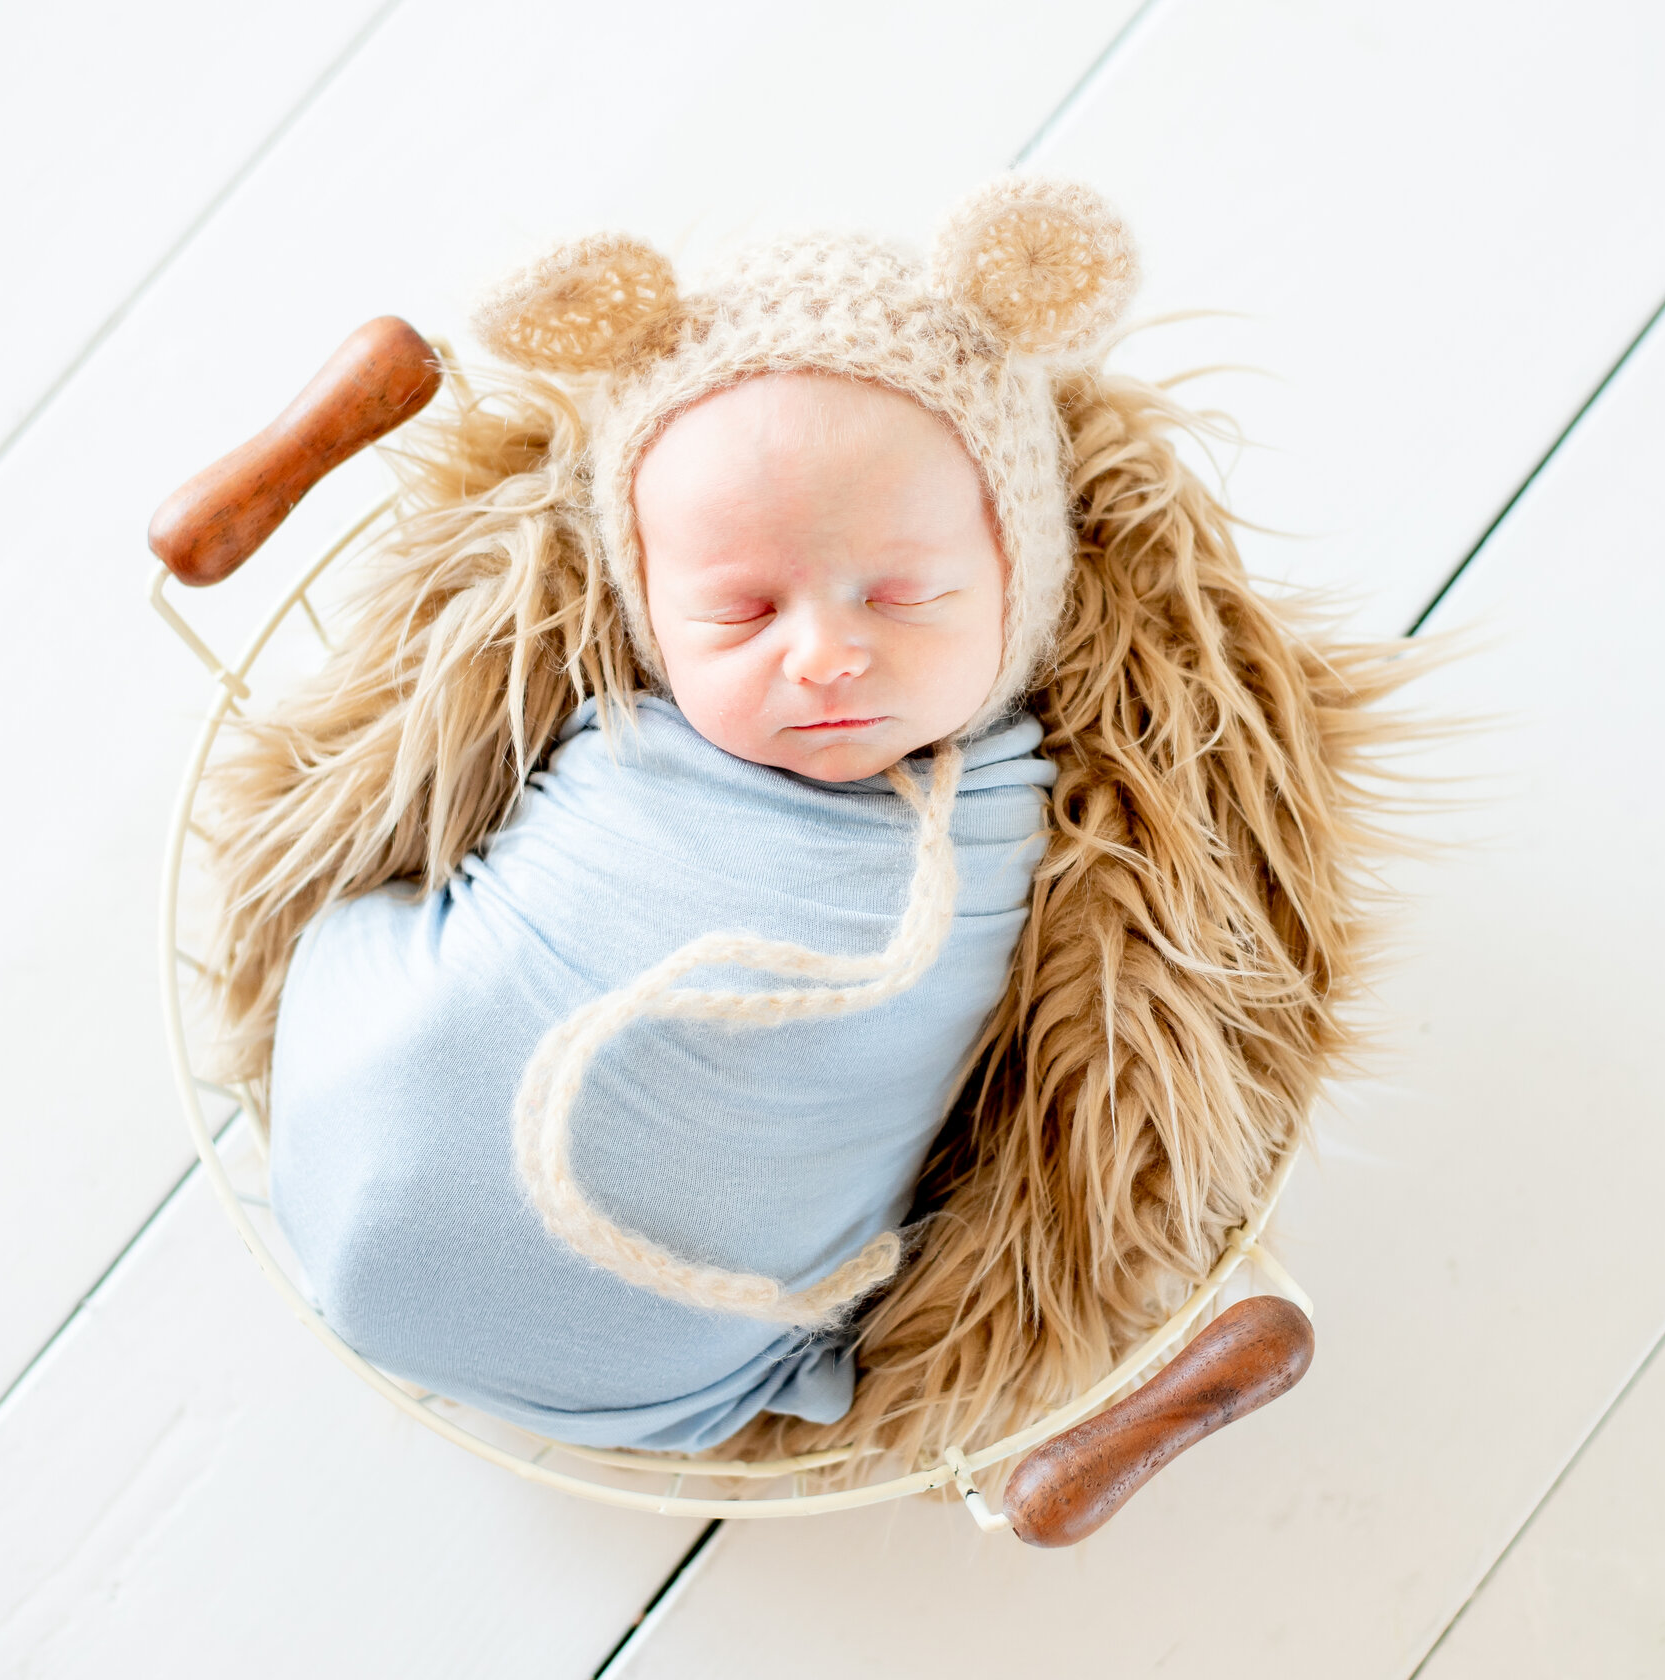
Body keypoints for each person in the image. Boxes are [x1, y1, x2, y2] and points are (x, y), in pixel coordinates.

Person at [199, 176, 1406, 1471]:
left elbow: (1060, 1107)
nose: (827, 656)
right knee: (405, 988)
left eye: (901, 593)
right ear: (644, 614)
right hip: (358, 1132)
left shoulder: (1043, 827)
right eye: (739, 613)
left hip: (681, 1348)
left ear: (1024, 581)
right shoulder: (605, 735)